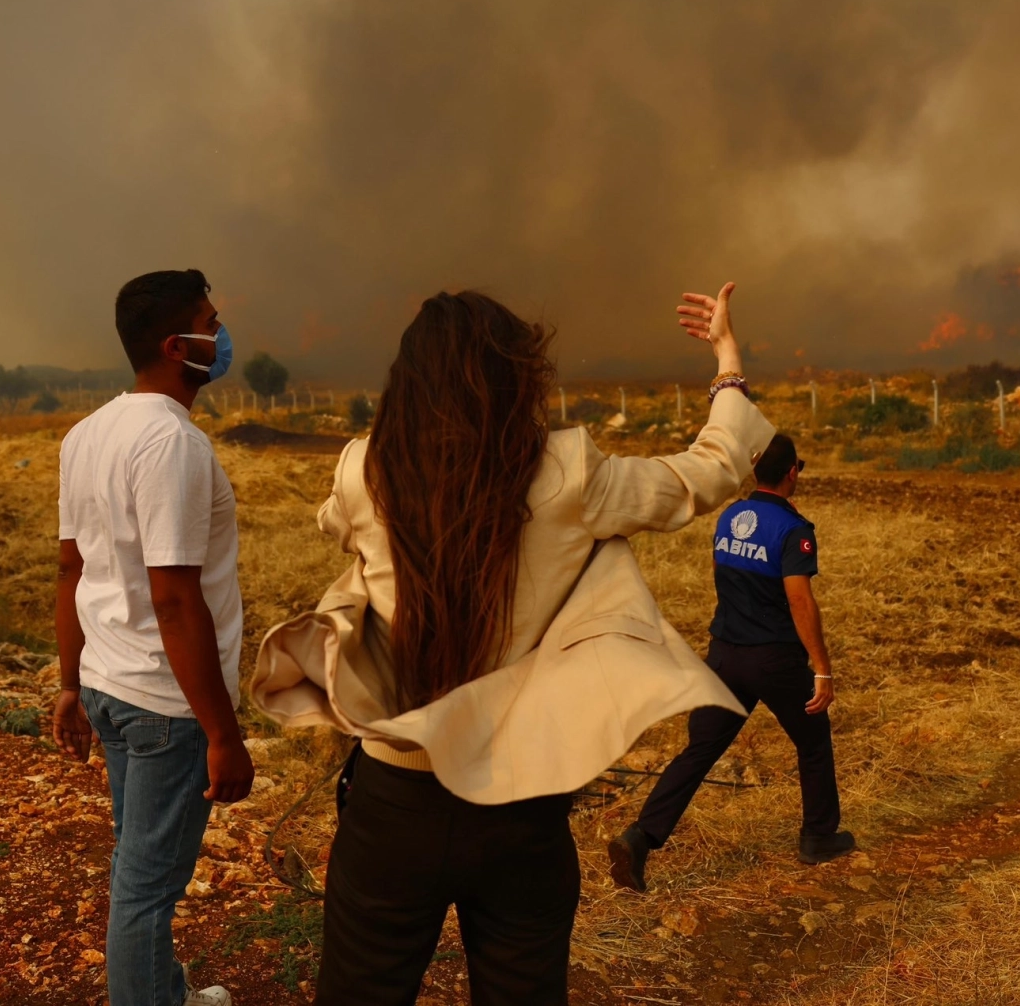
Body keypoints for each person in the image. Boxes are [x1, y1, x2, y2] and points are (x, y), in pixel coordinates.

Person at [250, 284, 775, 1005]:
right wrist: (727, 365)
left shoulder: (363, 471)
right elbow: (706, 473)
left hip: (393, 803)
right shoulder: (571, 473)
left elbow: (334, 523)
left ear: (407, 384)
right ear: (516, 379)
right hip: (521, 807)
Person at [51, 269, 251, 1006]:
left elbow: (71, 569)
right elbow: (173, 598)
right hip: (167, 705)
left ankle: (168, 994)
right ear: (176, 345)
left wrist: (70, 685)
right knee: (146, 890)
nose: (220, 335)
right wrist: (221, 733)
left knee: (137, 867)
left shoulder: (86, 434)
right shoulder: (173, 444)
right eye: (211, 322)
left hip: (108, 686)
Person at [607, 433, 850, 893]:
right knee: (814, 741)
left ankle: (640, 837)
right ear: (792, 473)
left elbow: (723, 576)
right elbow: (800, 601)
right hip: (774, 659)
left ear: (755, 471)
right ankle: (819, 837)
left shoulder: (730, 516)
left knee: (699, 751)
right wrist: (822, 668)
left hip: (723, 655)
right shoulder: (793, 529)